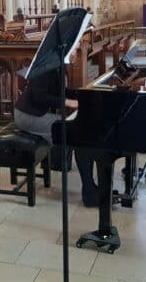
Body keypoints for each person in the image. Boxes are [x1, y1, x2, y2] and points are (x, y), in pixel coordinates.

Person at [13, 68, 99, 207]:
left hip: (36, 114)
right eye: (74, 50)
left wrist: (81, 94)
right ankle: (89, 192)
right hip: (28, 116)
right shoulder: (45, 69)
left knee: (76, 131)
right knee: (76, 132)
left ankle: (90, 188)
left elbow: (59, 90)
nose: (75, 53)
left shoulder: (56, 66)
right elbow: (39, 96)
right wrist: (68, 102)